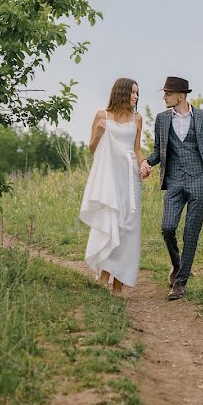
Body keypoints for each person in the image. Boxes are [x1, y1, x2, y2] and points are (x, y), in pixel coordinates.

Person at [140, 76, 203, 300]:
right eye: (164, 93)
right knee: (167, 228)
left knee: (191, 233)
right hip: (174, 181)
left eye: (168, 93)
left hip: (200, 181)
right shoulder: (161, 119)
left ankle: (180, 283)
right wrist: (147, 162)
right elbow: (159, 150)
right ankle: (177, 265)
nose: (164, 97)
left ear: (181, 96)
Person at [79, 78, 144, 295]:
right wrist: (99, 132)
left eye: (137, 93)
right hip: (109, 176)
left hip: (129, 177)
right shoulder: (102, 115)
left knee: (128, 227)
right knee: (111, 219)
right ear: (122, 93)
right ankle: (104, 276)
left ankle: (119, 283)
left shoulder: (137, 119)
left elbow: (136, 149)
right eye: (133, 92)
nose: (135, 97)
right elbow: (92, 148)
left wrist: (143, 164)